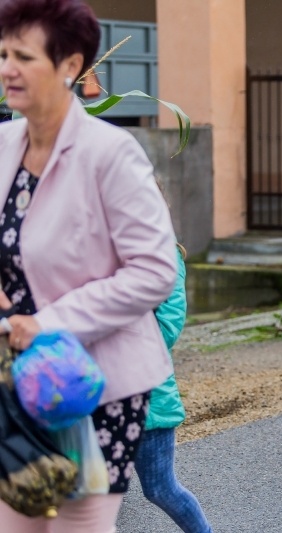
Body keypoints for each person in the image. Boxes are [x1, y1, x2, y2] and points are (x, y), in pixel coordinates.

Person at [0, 0, 178, 530]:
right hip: (16, 380)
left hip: (92, 386)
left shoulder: (111, 153)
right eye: (3, 53)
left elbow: (154, 270)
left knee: (75, 525)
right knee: (17, 518)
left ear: (71, 66)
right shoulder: (4, 144)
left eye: (24, 56)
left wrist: (49, 323)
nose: (7, 68)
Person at [133, 243, 213, 533]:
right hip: (92, 397)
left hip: (148, 399)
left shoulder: (164, 255)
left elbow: (166, 330)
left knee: (159, 488)